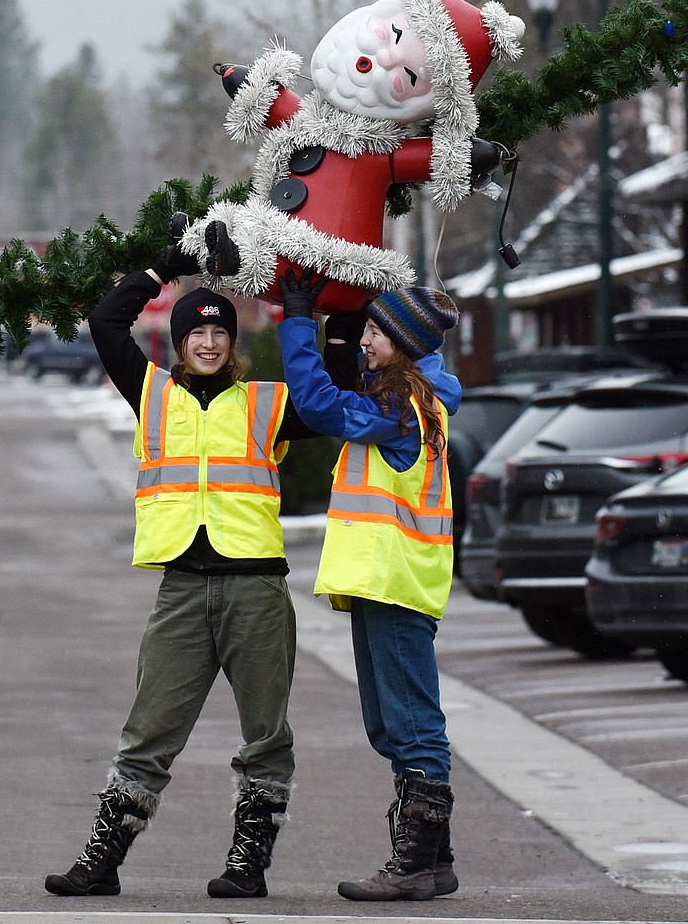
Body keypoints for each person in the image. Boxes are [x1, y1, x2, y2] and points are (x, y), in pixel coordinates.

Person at [44, 220, 357, 901]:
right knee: (148, 728)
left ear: (232, 341)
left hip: (256, 594)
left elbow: (337, 392)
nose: (210, 341)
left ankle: (249, 863)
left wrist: (319, 313)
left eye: (220, 332)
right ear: (180, 342)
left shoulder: (269, 404)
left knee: (265, 736)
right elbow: (106, 321)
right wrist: (170, 268)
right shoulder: (152, 393)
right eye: (196, 333)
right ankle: (104, 859)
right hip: (182, 591)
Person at [276, 267, 462, 902]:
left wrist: (298, 322)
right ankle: (434, 860)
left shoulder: (401, 407)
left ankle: (413, 865)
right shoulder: (405, 397)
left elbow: (318, 404)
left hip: (394, 579)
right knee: (392, 723)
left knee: (410, 722)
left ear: (406, 345)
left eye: (379, 332)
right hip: (385, 579)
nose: (368, 340)